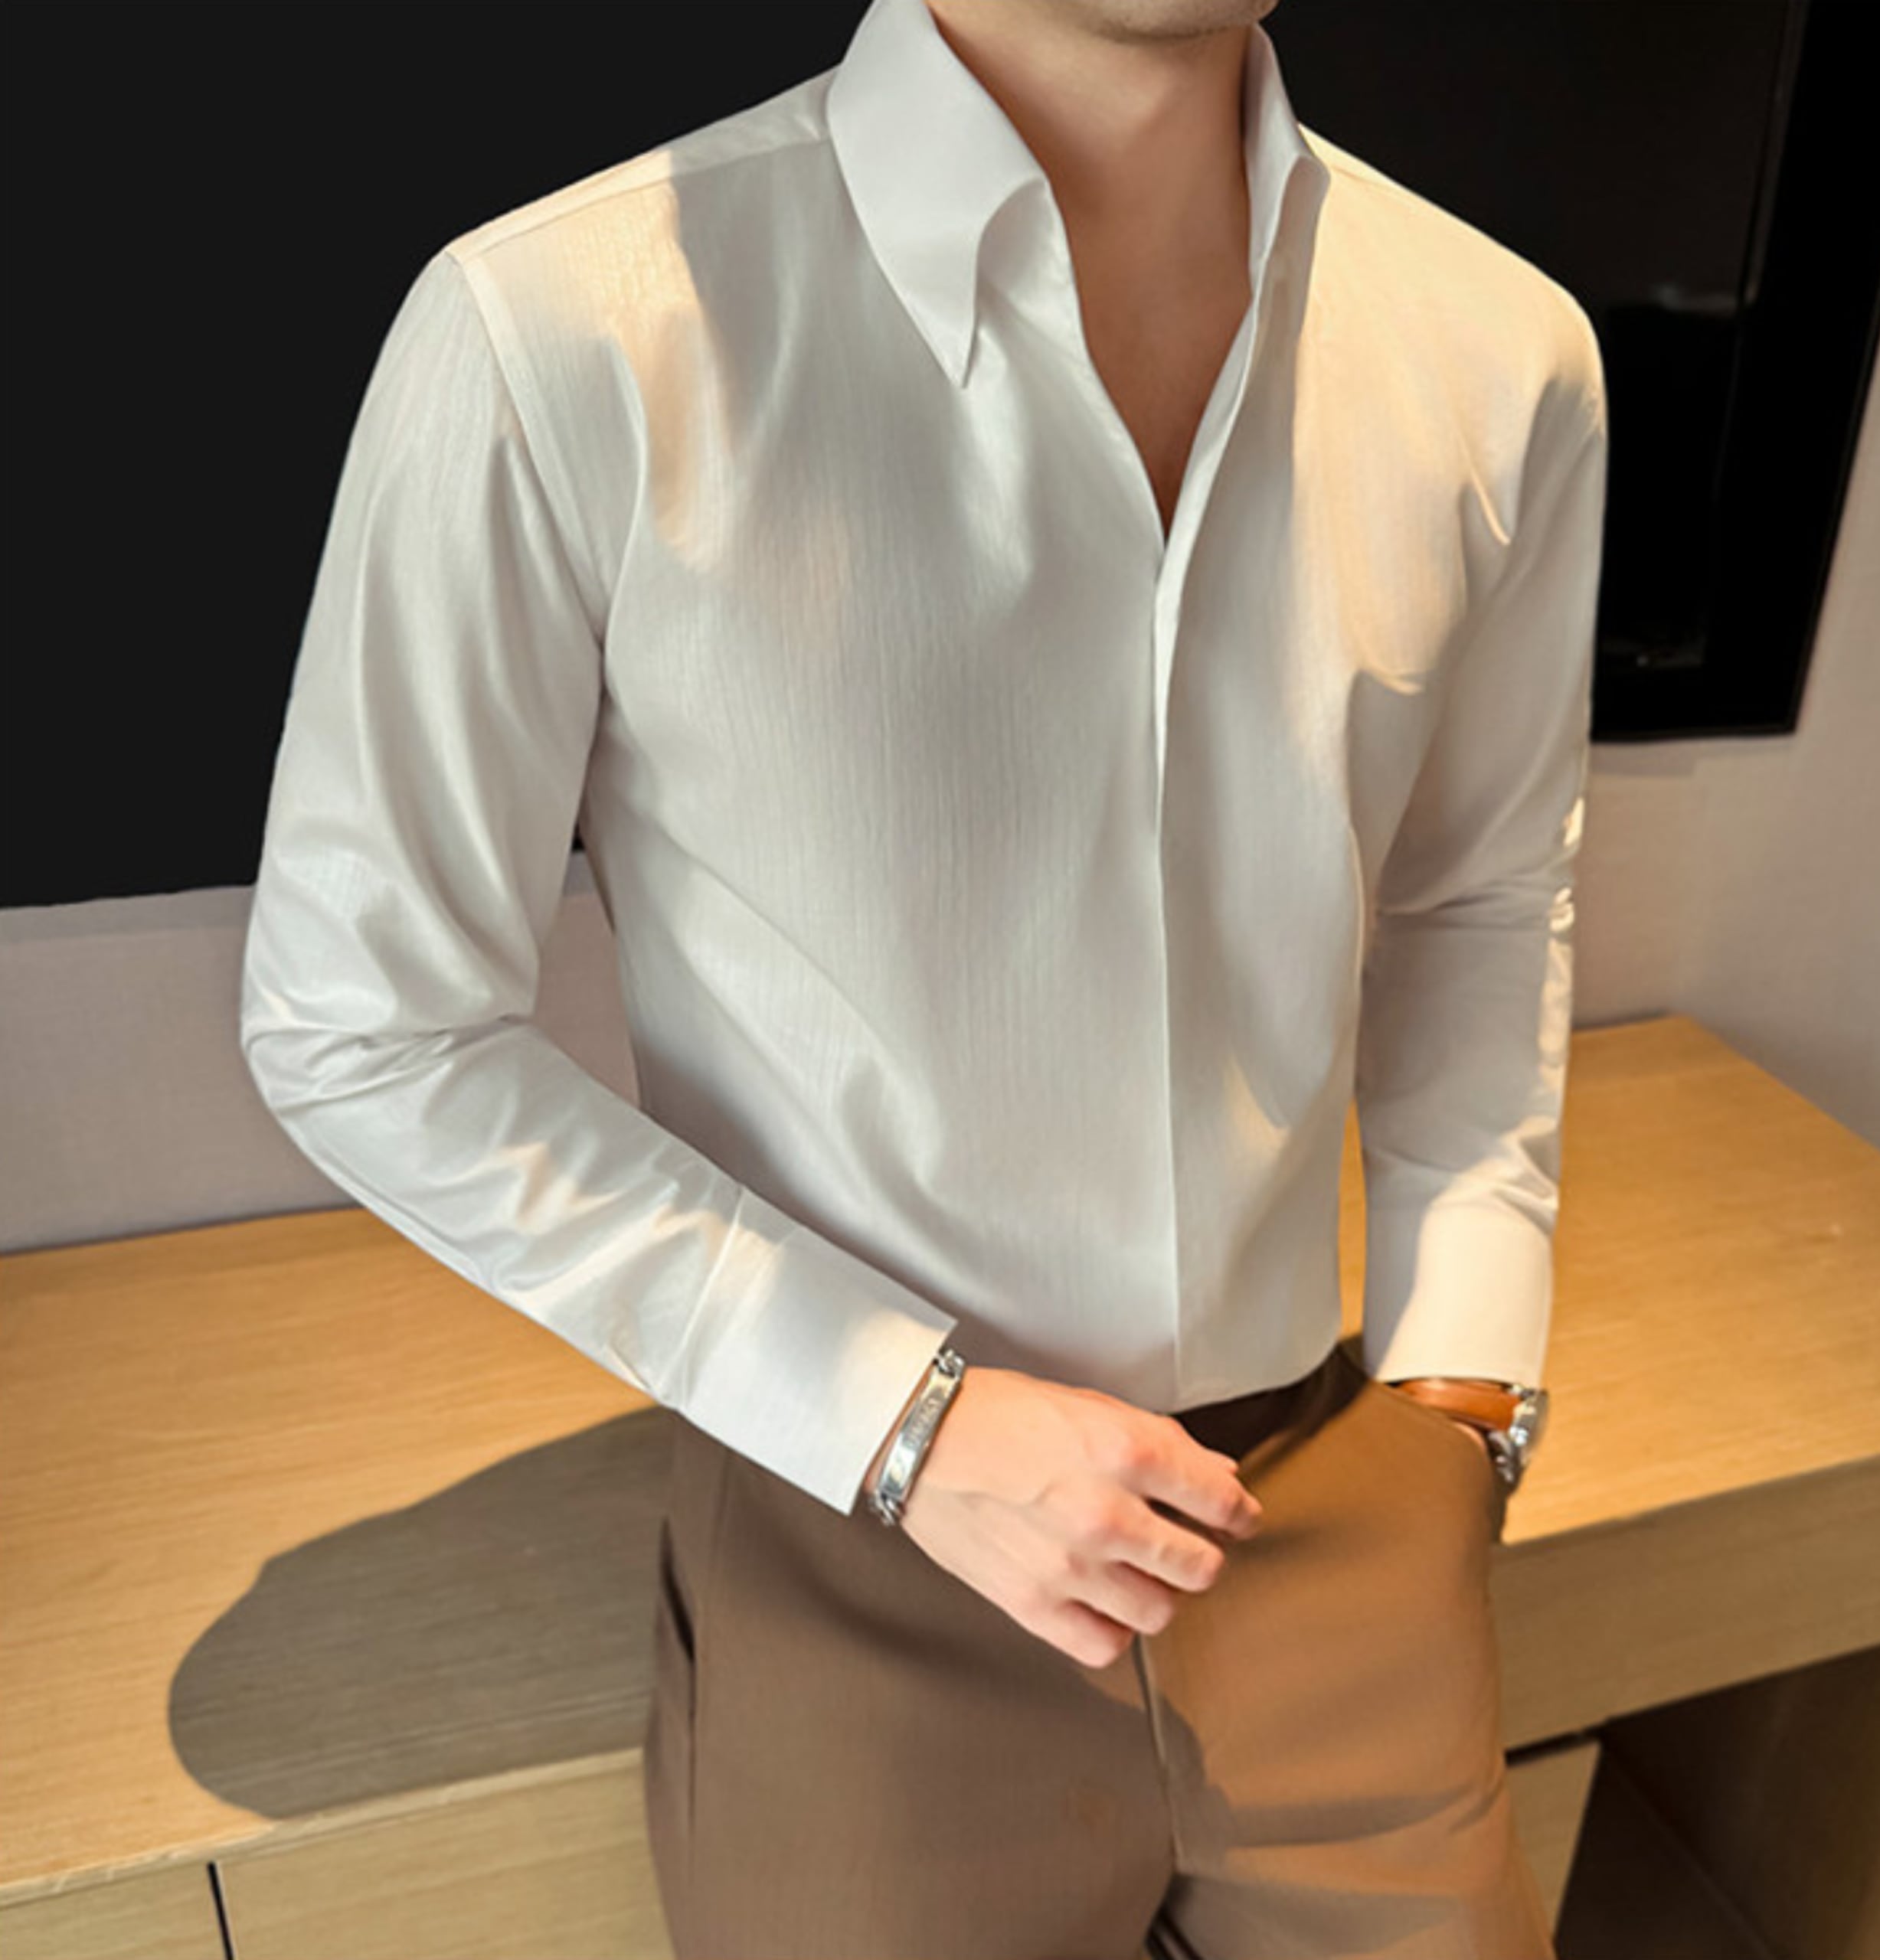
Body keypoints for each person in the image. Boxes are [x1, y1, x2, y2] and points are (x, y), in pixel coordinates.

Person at [240, 0, 1604, 1952]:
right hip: (853, 1544)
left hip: (1330, 1490)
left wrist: (1462, 1389)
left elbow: (1479, 892)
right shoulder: (558, 330)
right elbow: (365, 1020)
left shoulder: (1499, 346)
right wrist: (905, 1421)